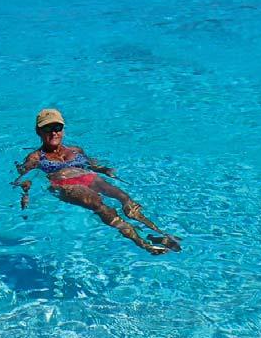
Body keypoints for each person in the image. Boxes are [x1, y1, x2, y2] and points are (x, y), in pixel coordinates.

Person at [13, 108, 181, 255]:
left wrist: (104, 170)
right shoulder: (35, 157)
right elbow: (24, 178)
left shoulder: (75, 150)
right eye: (48, 128)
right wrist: (26, 194)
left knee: (124, 198)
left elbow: (91, 164)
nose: (54, 133)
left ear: (63, 129)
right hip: (66, 184)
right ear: (39, 131)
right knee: (100, 206)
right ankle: (142, 242)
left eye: (57, 127)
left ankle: (159, 234)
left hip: (87, 176)